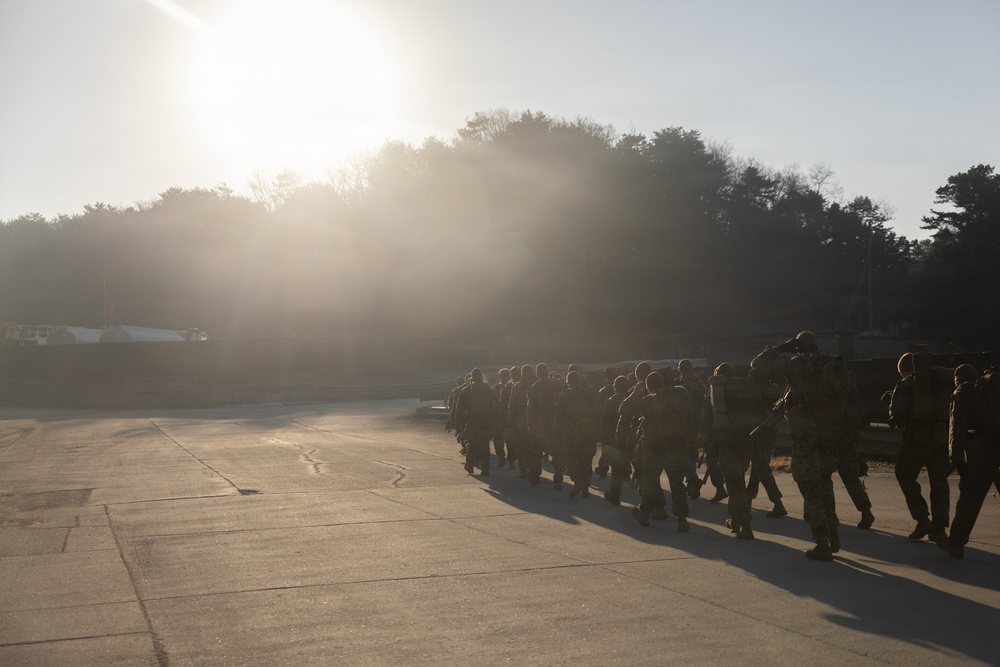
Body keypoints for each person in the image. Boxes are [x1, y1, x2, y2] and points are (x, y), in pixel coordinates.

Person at [751, 331, 846, 561]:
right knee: (825, 482)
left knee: (809, 485)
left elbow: (757, 364)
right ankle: (833, 533)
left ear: (798, 346)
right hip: (829, 432)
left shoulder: (794, 363)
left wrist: (782, 347)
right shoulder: (830, 364)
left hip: (806, 433)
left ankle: (821, 542)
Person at [888, 352, 952, 541]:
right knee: (939, 481)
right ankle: (939, 528)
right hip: (941, 438)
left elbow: (897, 416)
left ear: (905, 370)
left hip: (917, 440)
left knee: (904, 474)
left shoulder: (907, 384)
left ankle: (922, 519)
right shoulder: (943, 381)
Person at [937, 365, 1000, 559]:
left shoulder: (963, 392)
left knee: (970, 499)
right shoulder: (992, 391)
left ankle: (955, 542)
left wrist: (955, 457)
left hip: (983, 452)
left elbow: (958, 427)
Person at [630, 371, 691, 532]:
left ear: (648, 386)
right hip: (676, 447)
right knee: (677, 484)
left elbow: (625, 410)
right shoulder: (678, 396)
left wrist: (635, 394)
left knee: (650, 481)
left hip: (655, 449)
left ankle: (644, 512)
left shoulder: (649, 401)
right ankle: (682, 519)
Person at [702, 363, 758, 540]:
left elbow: (707, 419)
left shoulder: (717, 392)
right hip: (746, 439)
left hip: (727, 441)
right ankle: (735, 520)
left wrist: (708, 441)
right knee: (738, 480)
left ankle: (746, 526)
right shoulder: (745, 390)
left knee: (735, 484)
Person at [554, 370, 601, 498]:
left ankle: (577, 480)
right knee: (585, 461)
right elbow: (598, 413)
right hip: (589, 433)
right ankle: (585, 488)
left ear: (567, 381)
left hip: (571, 433)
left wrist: (557, 432)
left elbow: (558, 416)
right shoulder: (592, 393)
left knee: (568, 456)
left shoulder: (565, 395)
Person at [837, 379, 876, 529]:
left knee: (820, 478)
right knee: (850, 477)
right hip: (847, 437)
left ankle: (819, 512)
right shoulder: (845, 384)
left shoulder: (819, 382)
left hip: (828, 436)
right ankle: (866, 511)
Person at [454, 368, 498, 477]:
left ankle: (469, 465)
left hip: (473, 421)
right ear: (482, 377)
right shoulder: (488, 389)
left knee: (472, 443)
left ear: (472, 377)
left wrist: (459, 423)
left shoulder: (467, 389)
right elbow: (497, 403)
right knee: (484, 445)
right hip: (486, 421)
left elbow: (459, 408)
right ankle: (485, 469)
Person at [675, 359, 708, 499]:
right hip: (696, 425)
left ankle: (691, 478)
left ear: (679, 370)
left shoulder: (676, 385)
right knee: (692, 455)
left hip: (680, 425)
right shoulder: (701, 386)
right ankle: (691, 484)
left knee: (680, 454)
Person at [527, 363, 561, 488]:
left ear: (537, 373)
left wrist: (530, 424)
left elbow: (530, 408)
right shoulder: (557, 384)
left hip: (539, 424)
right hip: (555, 423)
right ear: (548, 372)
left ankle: (534, 478)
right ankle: (558, 479)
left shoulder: (535, 387)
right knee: (557, 452)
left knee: (536, 452)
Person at [601, 375, 631, 505]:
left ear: (615, 387)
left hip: (616, 438)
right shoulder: (633, 399)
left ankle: (615, 495)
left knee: (616, 469)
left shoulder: (612, 401)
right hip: (632, 437)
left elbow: (605, 421)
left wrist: (604, 438)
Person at [508, 364, 535, 479]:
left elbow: (512, 406)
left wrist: (511, 421)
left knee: (522, 446)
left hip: (522, 421)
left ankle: (524, 469)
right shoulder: (539, 384)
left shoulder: (518, 386)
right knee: (535, 447)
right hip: (538, 422)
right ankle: (534, 469)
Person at [594, 367, 620, 478]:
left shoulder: (603, 392)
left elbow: (599, 410)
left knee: (606, 448)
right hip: (620, 423)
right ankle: (625, 472)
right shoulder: (624, 389)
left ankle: (603, 469)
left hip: (607, 424)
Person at [499, 366, 519, 471]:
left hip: (509, 418)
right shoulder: (526, 385)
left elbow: (502, 405)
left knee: (510, 441)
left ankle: (511, 461)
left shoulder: (507, 387)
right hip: (523, 419)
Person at [491, 368, 511, 466]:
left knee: (497, 438)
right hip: (509, 417)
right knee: (511, 438)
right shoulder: (513, 387)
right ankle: (511, 459)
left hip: (497, 417)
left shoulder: (495, 389)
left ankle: (501, 456)